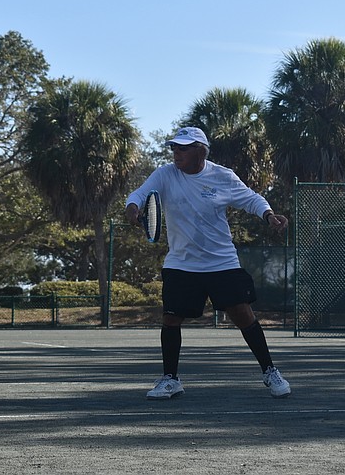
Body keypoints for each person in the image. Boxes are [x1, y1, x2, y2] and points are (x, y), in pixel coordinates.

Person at [125, 127, 292, 400]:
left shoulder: (221, 176)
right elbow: (140, 194)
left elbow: (250, 198)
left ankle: (270, 371)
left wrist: (269, 215)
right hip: (181, 263)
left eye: (183, 148)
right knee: (170, 318)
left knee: (243, 314)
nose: (176, 153)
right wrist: (133, 206)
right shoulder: (166, 174)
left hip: (221, 261)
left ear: (201, 151)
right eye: (174, 148)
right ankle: (170, 379)